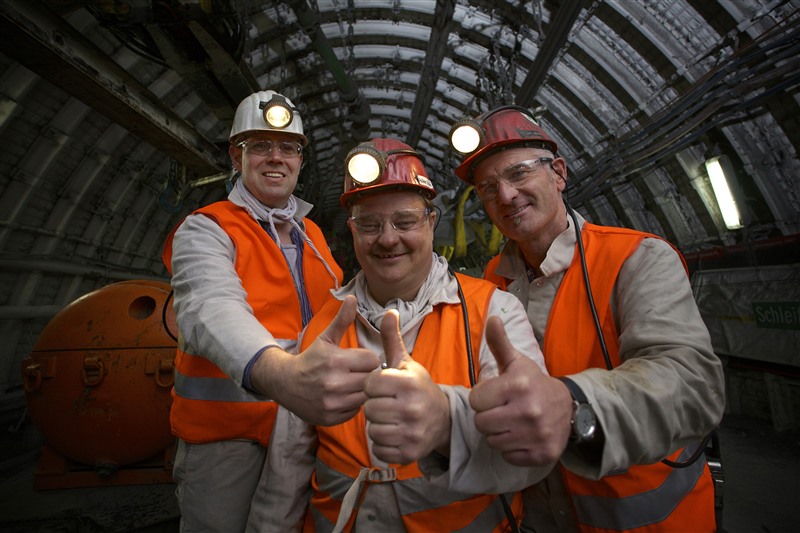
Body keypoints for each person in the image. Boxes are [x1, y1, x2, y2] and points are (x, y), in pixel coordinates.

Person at [252, 137, 555, 532]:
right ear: (351, 230)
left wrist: (445, 424)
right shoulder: (323, 328)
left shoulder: (493, 311)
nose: (387, 238)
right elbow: (286, 468)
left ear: (431, 222)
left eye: (405, 221)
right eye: (369, 224)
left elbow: (531, 450)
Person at [448, 105, 726, 532]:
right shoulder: (491, 282)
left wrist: (572, 404)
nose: (505, 195)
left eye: (519, 173)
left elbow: (693, 386)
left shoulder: (636, 258)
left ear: (558, 173)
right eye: (488, 188)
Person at [162, 90, 380, 532]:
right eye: (260, 145)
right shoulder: (207, 228)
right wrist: (282, 375)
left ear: (300, 160)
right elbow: (211, 308)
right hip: (227, 441)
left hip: (305, 432)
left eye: (288, 147)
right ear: (236, 156)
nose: (276, 157)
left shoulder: (313, 236)